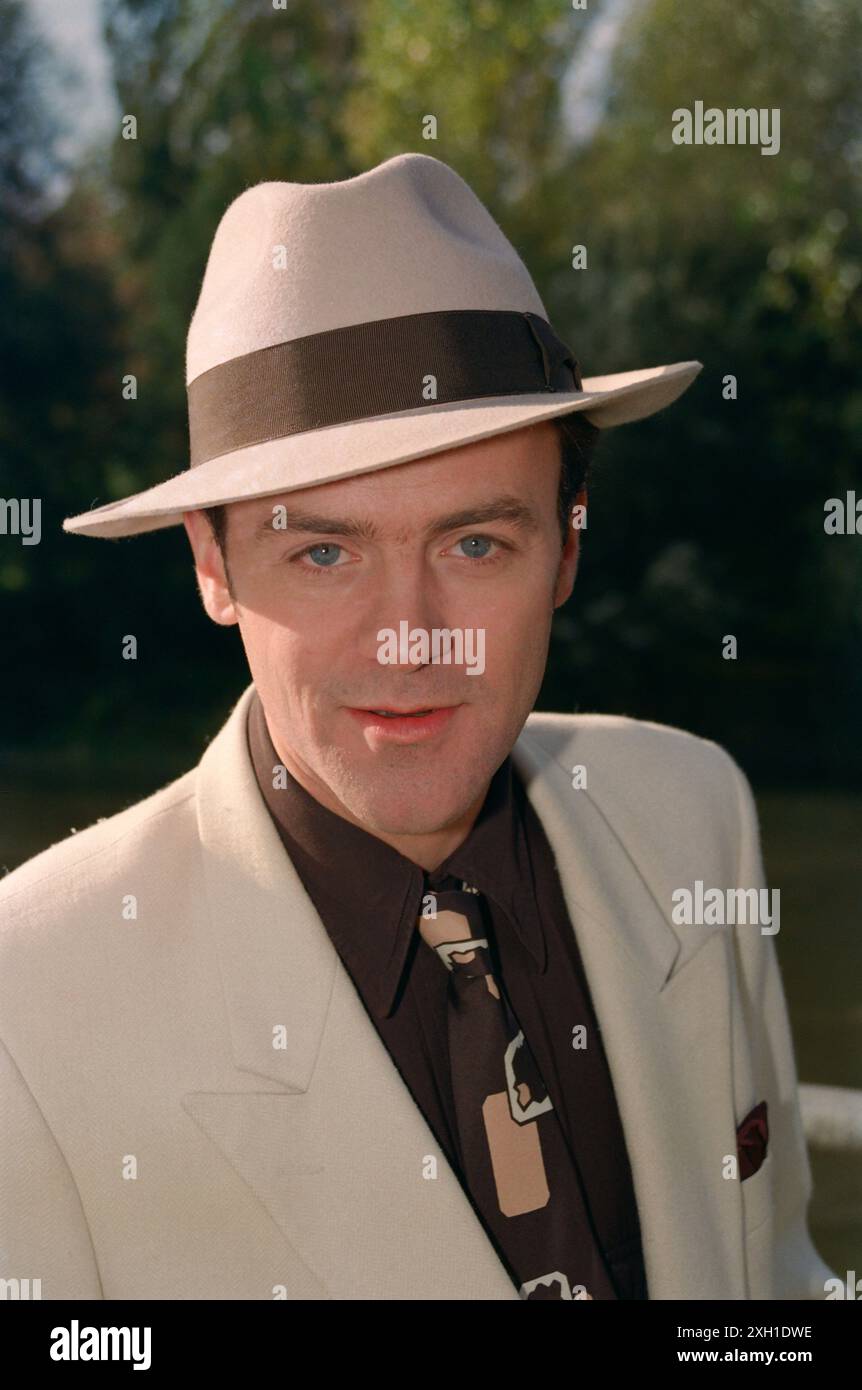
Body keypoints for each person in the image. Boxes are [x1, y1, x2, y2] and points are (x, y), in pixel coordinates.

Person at [0, 153, 834, 1300]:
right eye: (325, 552)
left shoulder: (693, 812)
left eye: (474, 543)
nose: (409, 640)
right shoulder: (29, 1002)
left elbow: (778, 1284)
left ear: (566, 546)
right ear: (212, 562)